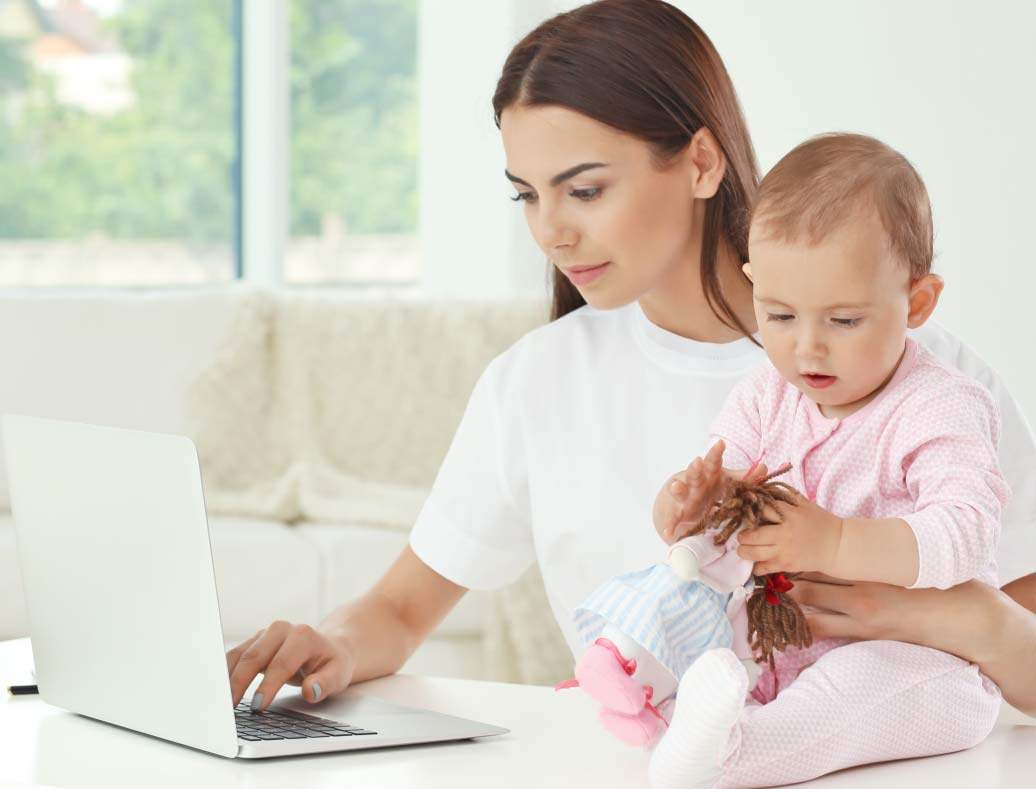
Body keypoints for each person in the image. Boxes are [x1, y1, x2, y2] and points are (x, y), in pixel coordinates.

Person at [226, 0, 1036, 746]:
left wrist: (972, 623)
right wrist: (324, 642)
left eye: (584, 189)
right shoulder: (535, 382)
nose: (552, 232)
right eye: (527, 197)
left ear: (701, 162)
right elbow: (403, 608)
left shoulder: (921, 383)